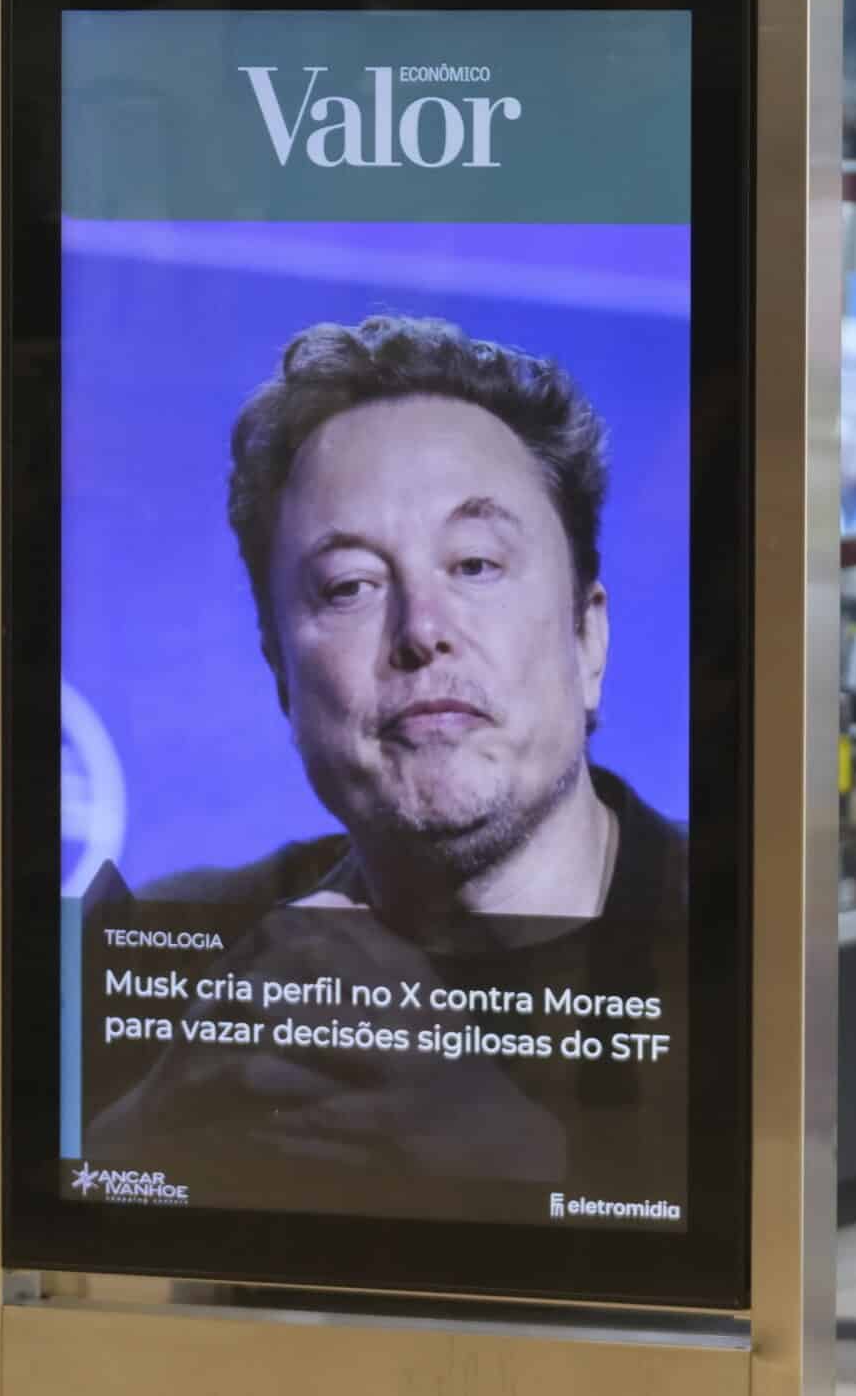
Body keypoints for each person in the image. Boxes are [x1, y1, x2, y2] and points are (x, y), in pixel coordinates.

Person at [78, 315, 687, 1206]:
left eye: (476, 565)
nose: (423, 632)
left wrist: (513, 1162)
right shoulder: (174, 943)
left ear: (588, 636)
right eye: (350, 586)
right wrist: (152, 1126)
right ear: (281, 673)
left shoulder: (755, 950)